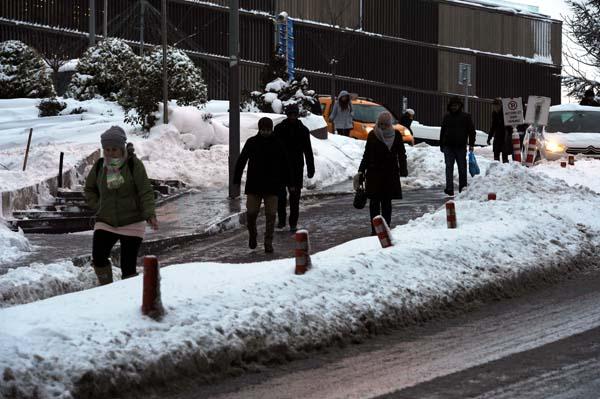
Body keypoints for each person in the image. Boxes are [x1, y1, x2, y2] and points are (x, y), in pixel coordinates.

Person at [84, 126, 158, 285]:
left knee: (128, 267)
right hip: (106, 220)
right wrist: (98, 205)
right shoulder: (100, 166)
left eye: (114, 149)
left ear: (122, 148)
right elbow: (89, 189)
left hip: (132, 220)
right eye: (107, 150)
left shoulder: (133, 165)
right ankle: (107, 288)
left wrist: (150, 214)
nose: (110, 153)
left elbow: (145, 191)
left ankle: (127, 297)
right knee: (98, 258)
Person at [233, 117, 289, 253]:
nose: (265, 132)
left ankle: (268, 242)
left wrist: (287, 182)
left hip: (272, 186)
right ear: (259, 129)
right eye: (263, 130)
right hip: (254, 185)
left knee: (271, 215)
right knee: (251, 213)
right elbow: (242, 160)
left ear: (271, 129)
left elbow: (285, 164)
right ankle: (253, 234)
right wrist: (236, 178)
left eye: (268, 130)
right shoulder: (252, 142)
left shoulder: (277, 143)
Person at [358, 111, 408, 236]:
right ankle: (374, 229)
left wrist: (403, 169)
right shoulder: (373, 135)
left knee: (386, 203)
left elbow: (401, 154)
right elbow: (367, 154)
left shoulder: (396, 135)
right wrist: (361, 170)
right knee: (374, 203)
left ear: (389, 124)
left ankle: (385, 228)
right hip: (374, 173)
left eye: (385, 124)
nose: (382, 127)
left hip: (390, 174)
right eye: (380, 124)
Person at [274, 104, 315, 233]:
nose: (292, 117)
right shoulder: (279, 129)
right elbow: (273, 148)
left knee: (294, 198)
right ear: (287, 115)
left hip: (297, 167)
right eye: (290, 114)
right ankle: (281, 220)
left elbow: (308, 150)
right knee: (281, 197)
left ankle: (293, 223)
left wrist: (310, 167)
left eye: (294, 114)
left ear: (297, 115)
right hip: (281, 167)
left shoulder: (303, 130)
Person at [439, 96, 476, 196]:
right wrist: (441, 144)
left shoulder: (466, 117)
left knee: (462, 168)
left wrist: (472, 144)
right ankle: (449, 188)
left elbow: (472, 132)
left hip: (460, 146)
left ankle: (462, 187)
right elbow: (443, 131)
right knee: (449, 167)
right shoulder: (447, 117)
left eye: (456, 105)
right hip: (448, 146)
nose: (454, 107)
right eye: (452, 105)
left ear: (460, 106)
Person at [487, 98, 512, 163]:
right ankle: (496, 167)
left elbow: (509, 125)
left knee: (505, 154)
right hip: (497, 135)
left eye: (497, 106)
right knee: (496, 153)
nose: (495, 108)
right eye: (494, 106)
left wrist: (509, 135)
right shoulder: (494, 113)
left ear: (500, 105)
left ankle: (505, 167)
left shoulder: (505, 112)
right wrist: (489, 137)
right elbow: (493, 126)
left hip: (505, 135)